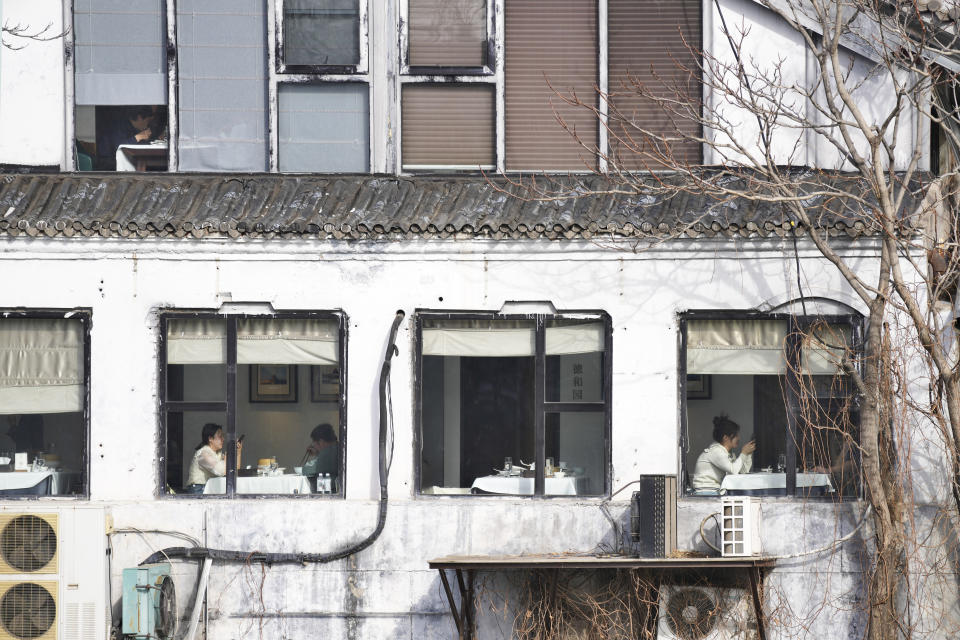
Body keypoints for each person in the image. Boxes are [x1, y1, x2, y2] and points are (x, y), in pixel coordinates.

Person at [691, 415, 756, 493]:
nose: (738, 438)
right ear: (725, 438)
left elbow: (743, 472)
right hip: (706, 492)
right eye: (735, 436)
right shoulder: (716, 451)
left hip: (715, 491)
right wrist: (744, 453)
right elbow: (733, 470)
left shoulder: (728, 453)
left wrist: (748, 454)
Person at [185, 423, 242, 494]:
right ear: (210, 439)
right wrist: (227, 458)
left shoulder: (217, 454)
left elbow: (234, 471)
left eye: (223, 436)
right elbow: (222, 472)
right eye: (220, 436)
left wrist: (238, 452)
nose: (223, 439)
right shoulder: (204, 454)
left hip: (209, 488)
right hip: (199, 489)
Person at [96, 106, 155, 171]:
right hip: (109, 162)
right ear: (139, 117)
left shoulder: (135, 128)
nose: (148, 125)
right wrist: (139, 137)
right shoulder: (119, 125)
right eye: (148, 121)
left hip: (125, 160)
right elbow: (119, 147)